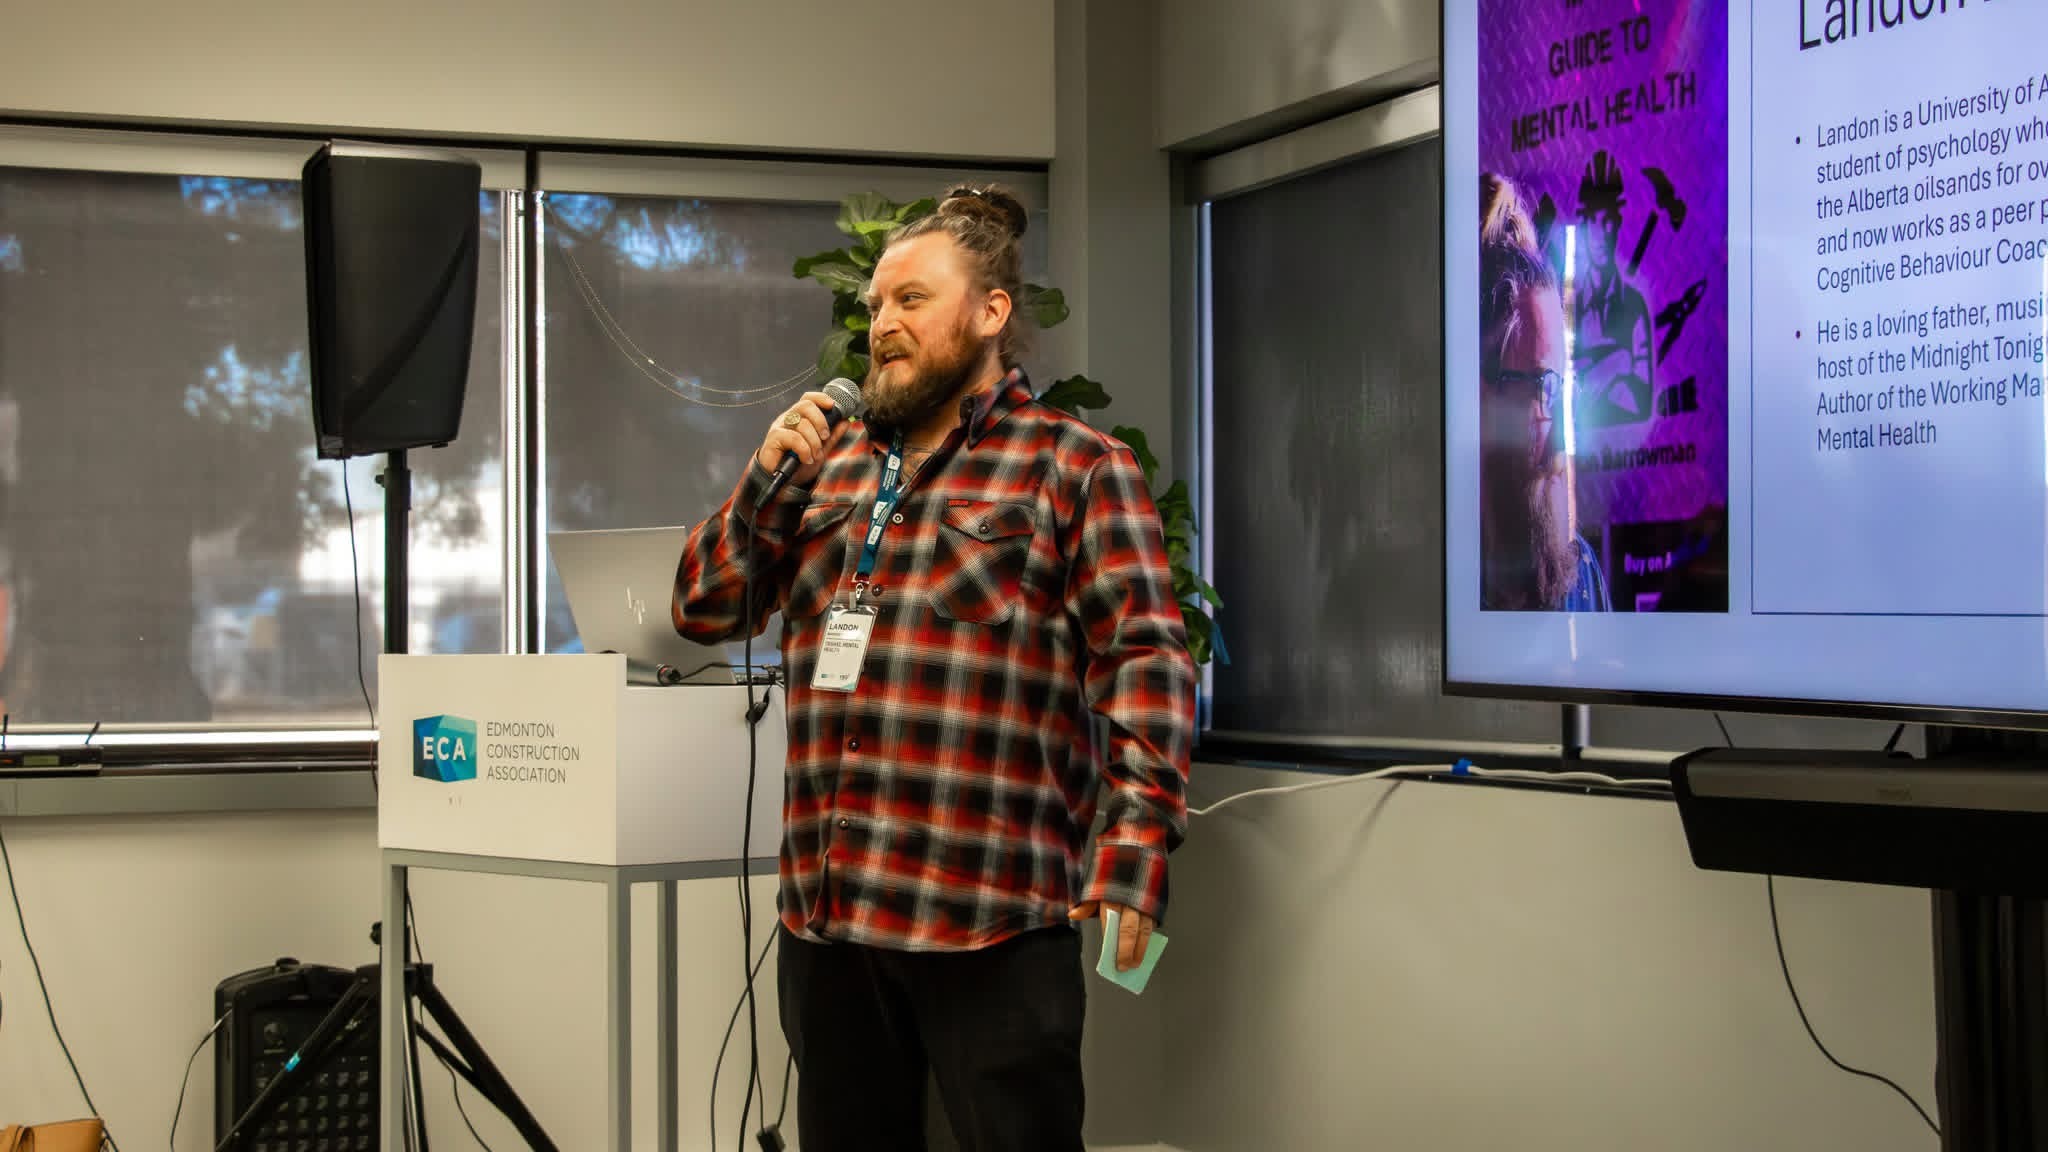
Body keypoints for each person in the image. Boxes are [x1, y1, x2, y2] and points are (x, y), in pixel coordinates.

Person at [672, 183, 1196, 1152]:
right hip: (831, 924)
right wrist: (764, 483)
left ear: (990, 313)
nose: (882, 324)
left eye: (911, 299)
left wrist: (1133, 850)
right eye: (875, 304)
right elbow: (702, 607)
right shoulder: (823, 465)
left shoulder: (1074, 466)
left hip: (987, 920)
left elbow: (1145, 664)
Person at [1479, 174, 1609, 612]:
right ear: (1476, 396)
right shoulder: (1422, 588)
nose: (1559, 446)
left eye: (1558, 391)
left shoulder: (1579, 577)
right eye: (1540, 388)